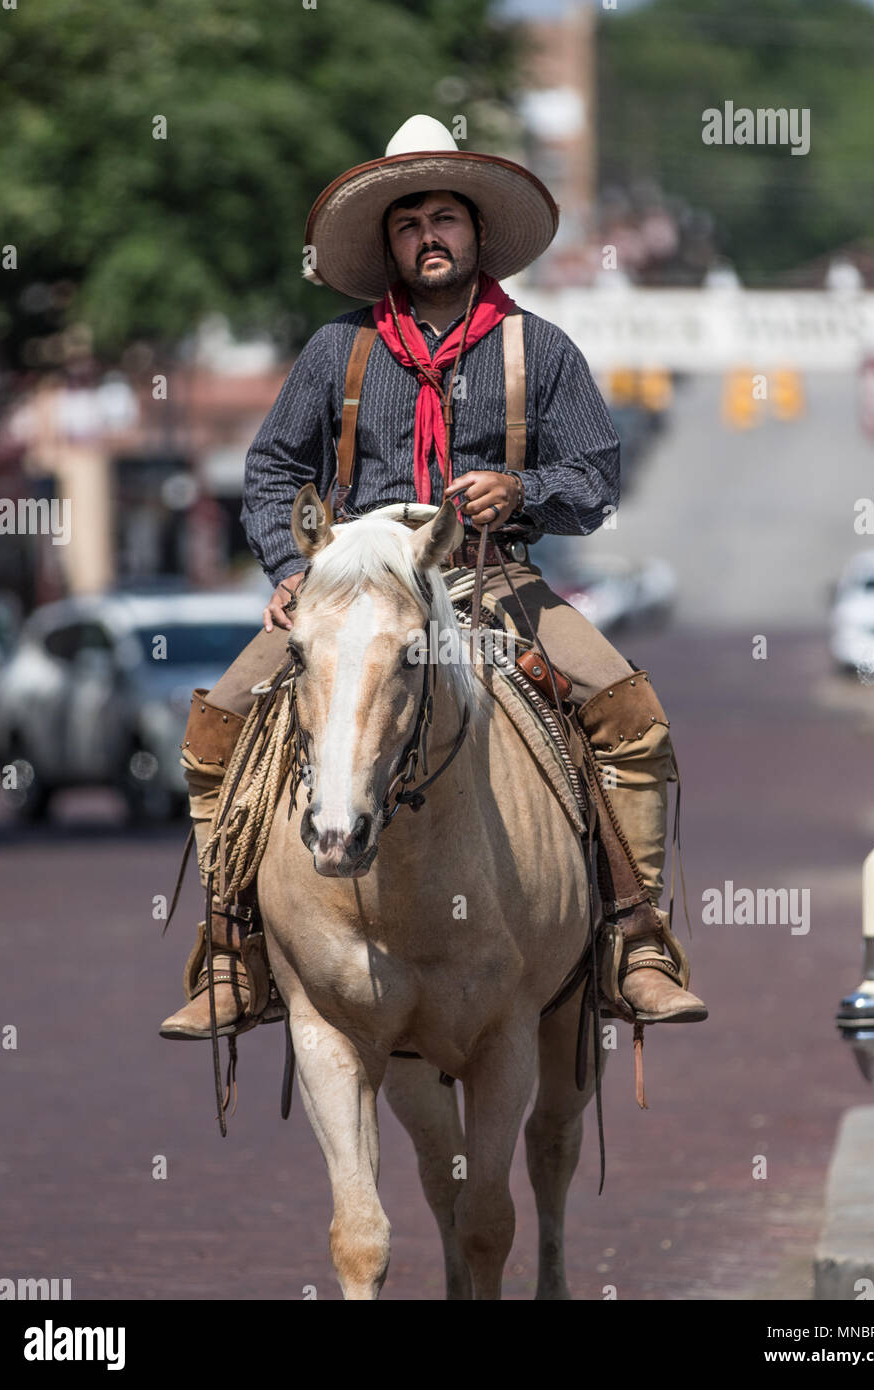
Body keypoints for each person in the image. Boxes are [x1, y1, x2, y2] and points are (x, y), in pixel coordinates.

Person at [160, 115, 706, 1041]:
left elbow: (595, 480)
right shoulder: (337, 351)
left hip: (489, 578)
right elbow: (271, 472)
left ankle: (633, 940)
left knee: (630, 719)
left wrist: (520, 488)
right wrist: (294, 568)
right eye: (407, 223)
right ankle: (233, 952)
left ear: (476, 233)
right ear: (389, 244)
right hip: (354, 585)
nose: (427, 236)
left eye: (442, 218)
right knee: (216, 727)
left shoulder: (543, 350)